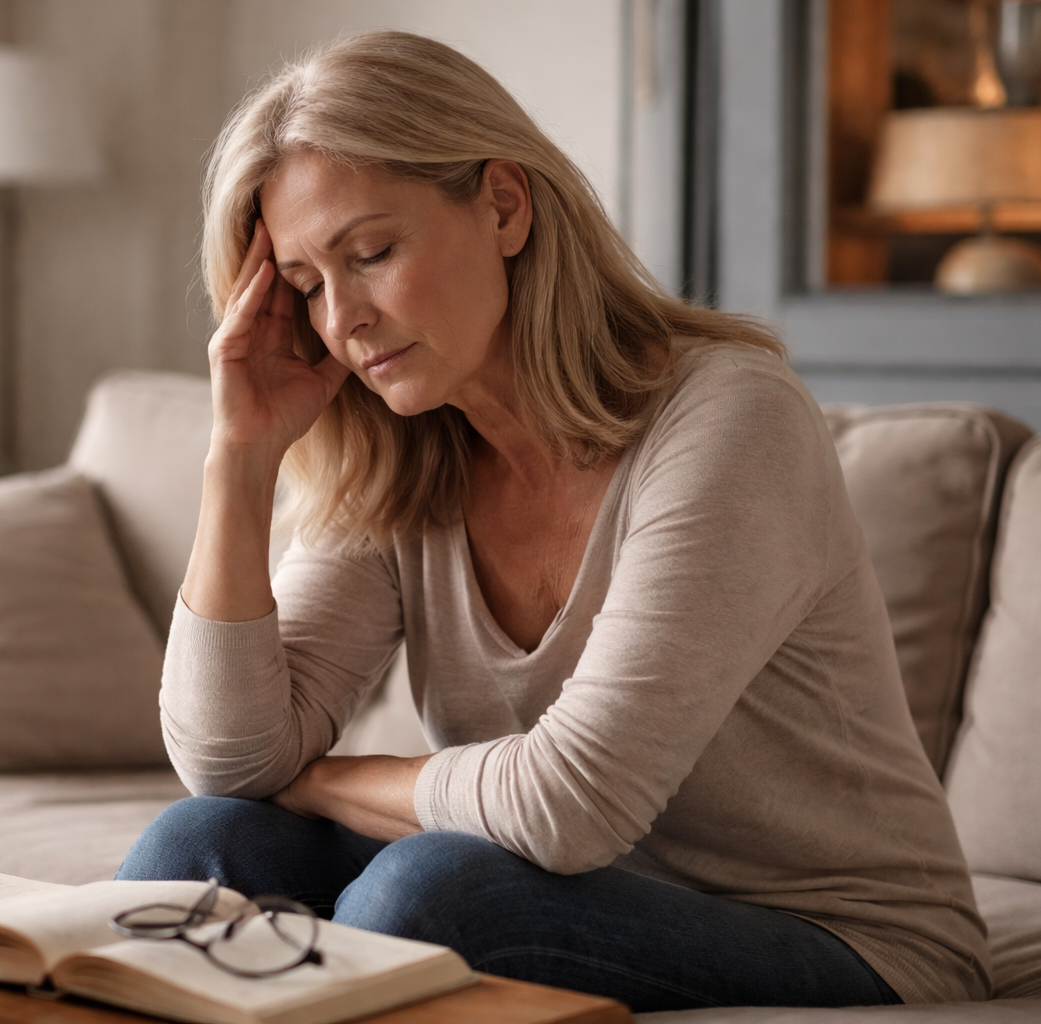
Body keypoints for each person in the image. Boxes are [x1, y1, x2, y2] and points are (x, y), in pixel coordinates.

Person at [115, 31, 989, 1013]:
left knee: (429, 893)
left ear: (503, 205)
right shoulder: (406, 450)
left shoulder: (730, 417)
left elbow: (568, 805)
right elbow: (233, 762)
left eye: (372, 253)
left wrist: (317, 779)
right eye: (310, 285)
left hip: (843, 931)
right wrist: (238, 460)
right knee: (197, 848)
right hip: (558, 880)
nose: (341, 321)